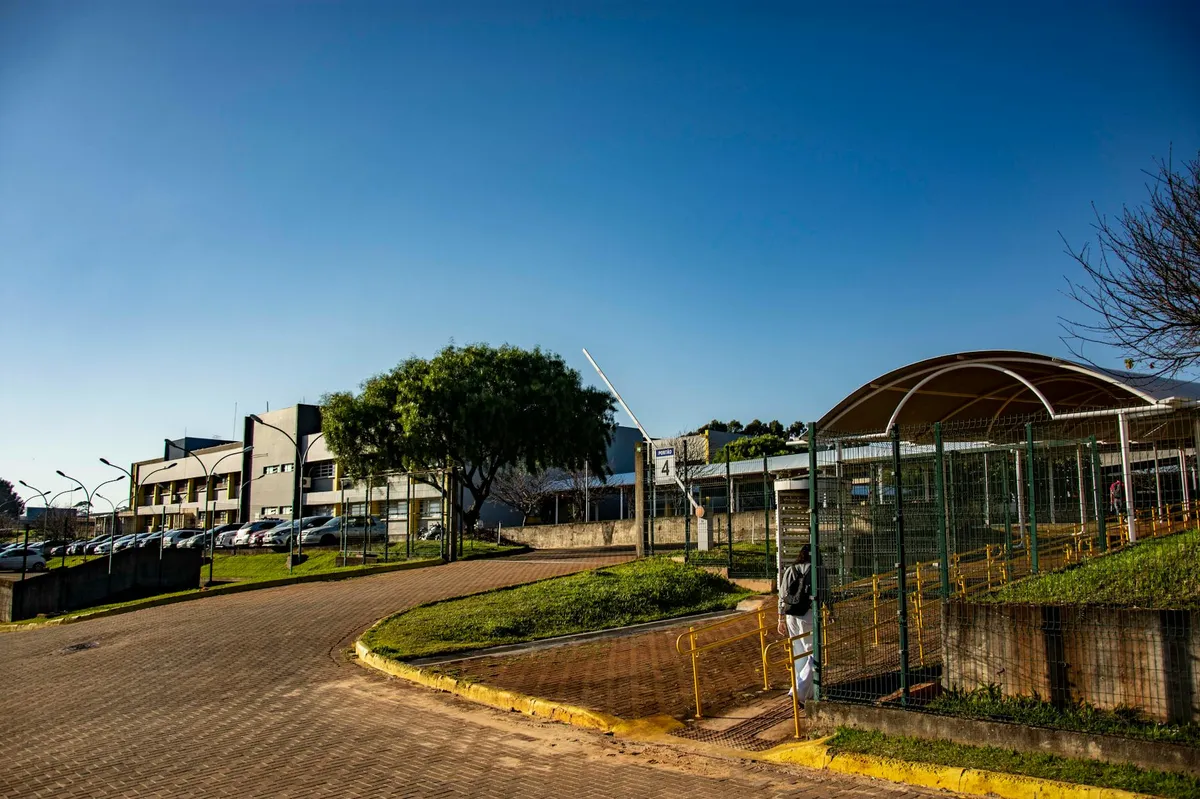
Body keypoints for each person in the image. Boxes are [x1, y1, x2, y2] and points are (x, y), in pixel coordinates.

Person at [776, 544, 831, 703]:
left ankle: (806, 690)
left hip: (790, 615)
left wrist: (780, 618)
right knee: (814, 654)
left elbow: (782, 595)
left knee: (798, 654)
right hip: (808, 614)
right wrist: (831, 611)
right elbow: (825, 592)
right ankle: (799, 690)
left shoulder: (790, 569)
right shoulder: (817, 570)